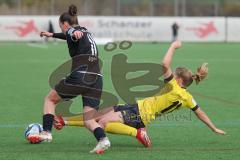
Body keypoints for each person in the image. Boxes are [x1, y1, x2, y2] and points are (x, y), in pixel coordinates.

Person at [53, 41, 226, 150]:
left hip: (140, 115)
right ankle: (64, 121)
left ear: (179, 79)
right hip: (138, 108)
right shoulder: (187, 97)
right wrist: (213, 128)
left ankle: (138, 133)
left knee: (104, 123)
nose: (170, 74)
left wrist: (173, 46)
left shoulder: (174, 86)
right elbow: (200, 112)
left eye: (174, 74)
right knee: (97, 114)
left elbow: (164, 63)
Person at [28, 5, 111, 154]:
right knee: (88, 119)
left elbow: (72, 33)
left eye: (62, 26)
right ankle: (103, 139)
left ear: (65, 24)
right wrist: (52, 34)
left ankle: (46, 132)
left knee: (50, 100)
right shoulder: (86, 31)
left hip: (81, 75)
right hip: (97, 78)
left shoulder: (75, 31)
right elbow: (69, 34)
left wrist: (74, 32)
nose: (62, 29)